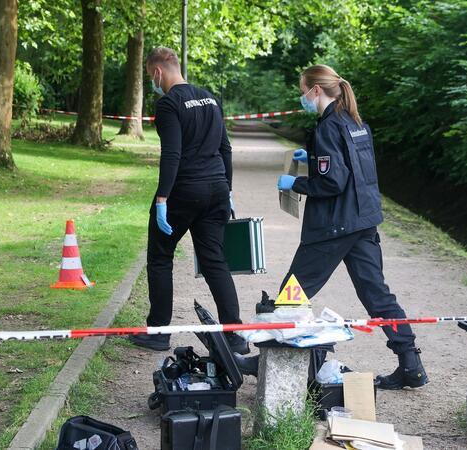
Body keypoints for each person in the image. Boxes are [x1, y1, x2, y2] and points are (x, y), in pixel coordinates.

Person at [276, 64, 428, 389]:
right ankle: (411, 364)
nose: (301, 97)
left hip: (334, 226)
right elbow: (350, 167)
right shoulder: (354, 121)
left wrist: (296, 183)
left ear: (316, 90)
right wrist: (314, 156)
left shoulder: (327, 127)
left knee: (290, 295)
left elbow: (332, 181)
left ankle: (277, 369)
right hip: (363, 221)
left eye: (303, 91)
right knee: (377, 295)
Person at [129, 47, 248, 354]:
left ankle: (158, 332)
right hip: (217, 190)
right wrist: (229, 189)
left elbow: (172, 153)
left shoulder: (169, 104)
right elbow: (226, 149)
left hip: (185, 190)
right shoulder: (210, 98)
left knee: (160, 257)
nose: (152, 82)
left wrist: (162, 199)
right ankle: (234, 334)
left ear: (158, 72)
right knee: (214, 261)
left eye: (149, 76)